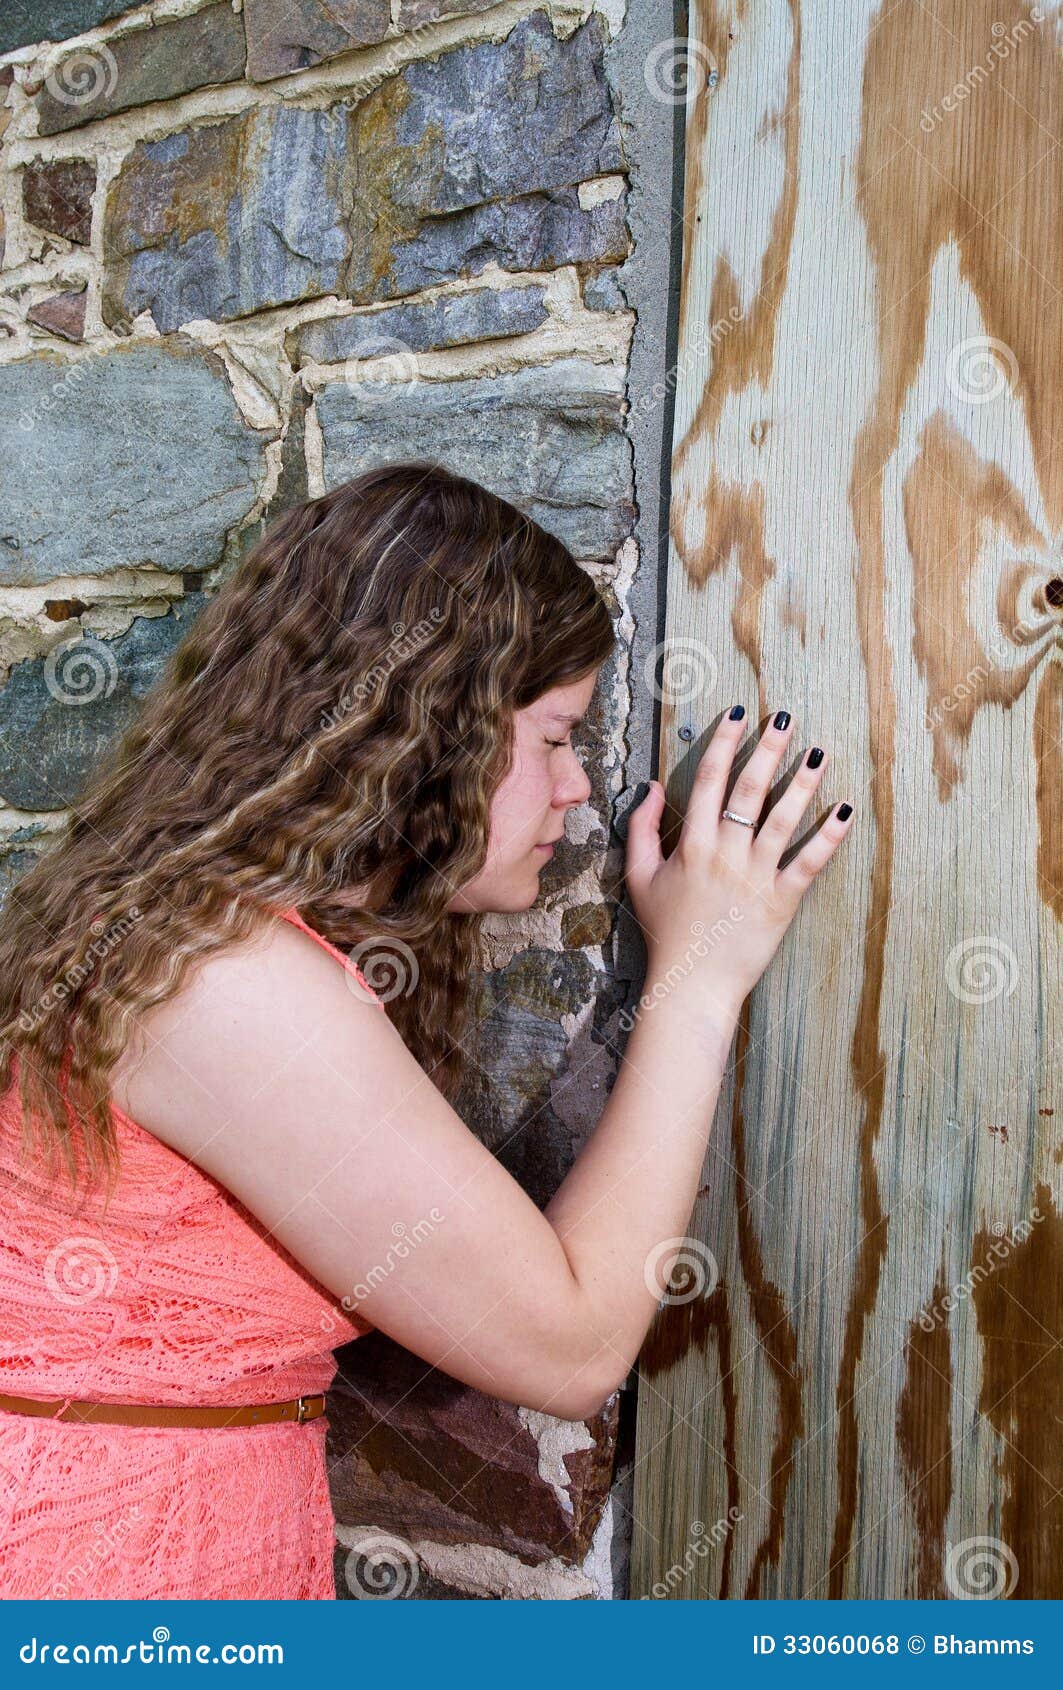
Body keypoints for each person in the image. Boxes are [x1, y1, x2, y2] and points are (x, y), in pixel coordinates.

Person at [0, 461, 853, 1598]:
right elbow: (570, 1345)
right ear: (428, 729)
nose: (578, 792)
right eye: (553, 737)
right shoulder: (229, 980)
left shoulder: (193, 927)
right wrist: (702, 974)